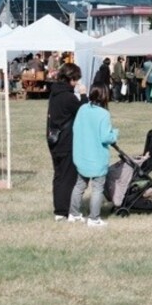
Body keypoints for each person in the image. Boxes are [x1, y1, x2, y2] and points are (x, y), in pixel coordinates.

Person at [69, 85, 118, 226]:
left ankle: (73, 214)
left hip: (81, 155)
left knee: (79, 186)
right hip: (97, 157)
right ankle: (94, 218)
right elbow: (105, 137)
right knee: (97, 188)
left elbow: (75, 128)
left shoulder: (83, 109)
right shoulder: (103, 114)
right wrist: (115, 134)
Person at [46, 63, 85, 221]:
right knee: (68, 177)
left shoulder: (54, 93)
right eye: (76, 79)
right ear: (70, 78)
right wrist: (83, 95)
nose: (76, 82)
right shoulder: (68, 97)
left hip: (54, 139)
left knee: (59, 175)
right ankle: (65, 210)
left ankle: (59, 209)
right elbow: (83, 111)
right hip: (66, 140)